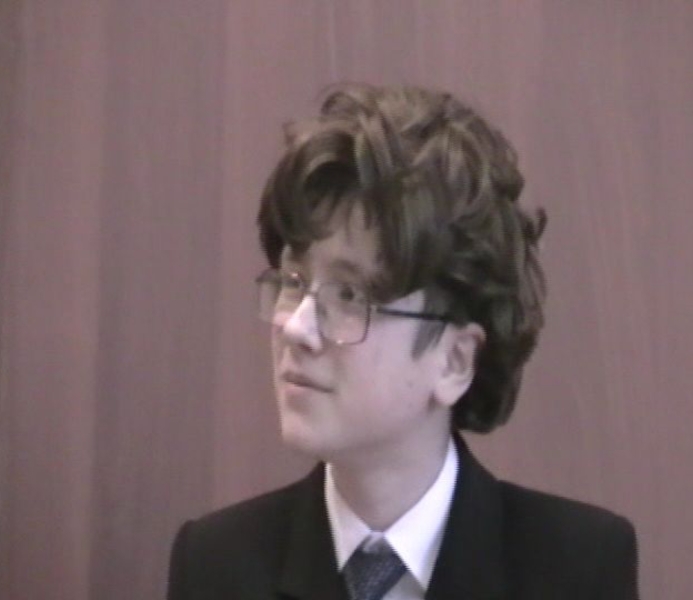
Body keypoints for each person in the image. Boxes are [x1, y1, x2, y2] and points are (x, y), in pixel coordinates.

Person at [167, 83, 639, 599]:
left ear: (454, 361)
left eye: (350, 295)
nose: (296, 327)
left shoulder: (577, 567)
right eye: (293, 282)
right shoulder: (216, 564)